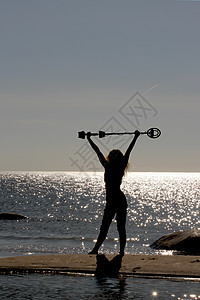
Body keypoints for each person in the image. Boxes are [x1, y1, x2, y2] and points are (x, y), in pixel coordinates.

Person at [87, 130, 140, 256]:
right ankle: (96, 250)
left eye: (115, 154)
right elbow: (97, 151)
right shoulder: (109, 165)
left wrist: (135, 137)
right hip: (113, 200)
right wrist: (89, 139)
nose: (114, 155)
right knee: (106, 227)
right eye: (113, 153)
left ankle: (120, 252)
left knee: (118, 227)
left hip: (117, 200)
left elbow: (129, 150)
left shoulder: (116, 166)